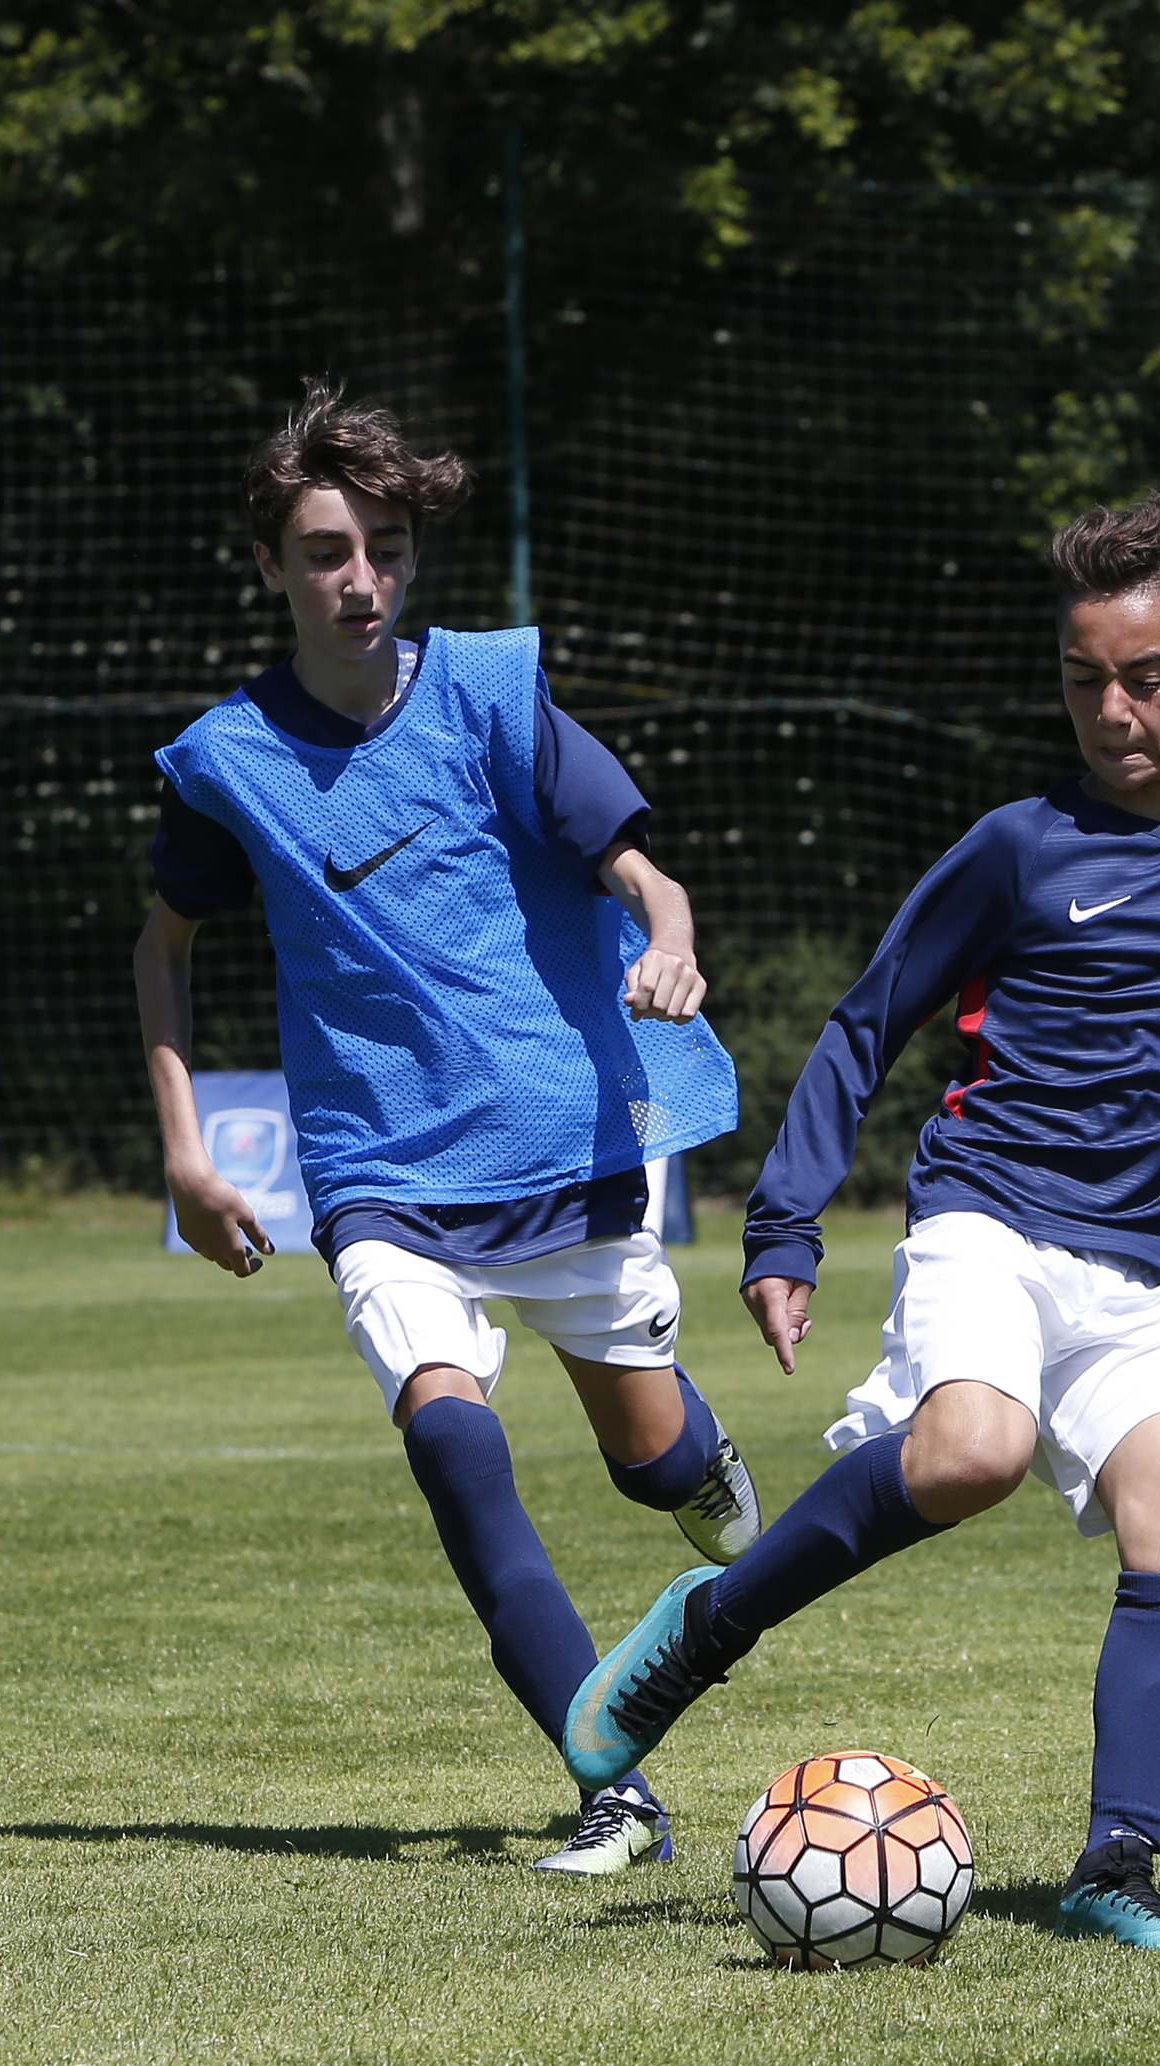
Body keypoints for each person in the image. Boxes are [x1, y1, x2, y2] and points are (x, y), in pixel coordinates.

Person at [561, 492, 1160, 1952]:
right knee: (974, 1446)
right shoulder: (1016, 849)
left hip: (1150, 1280)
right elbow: (869, 1019)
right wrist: (784, 1227)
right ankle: (709, 1631)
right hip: (995, 1223)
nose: (1111, 707)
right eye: (1084, 676)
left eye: (1144, 677)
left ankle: (1115, 1870)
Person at [134, 381, 752, 1877]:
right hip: (380, 1176)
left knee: (661, 1472)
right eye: (330, 551)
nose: (363, 581)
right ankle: (613, 1784)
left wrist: (668, 938)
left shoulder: (490, 694)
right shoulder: (229, 762)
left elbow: (642, 875)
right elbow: (165, 946)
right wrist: (183, 1147)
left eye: (388, 548)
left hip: (563, 1147)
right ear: (271, 564)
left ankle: (706, 1477)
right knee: (453, 1447)